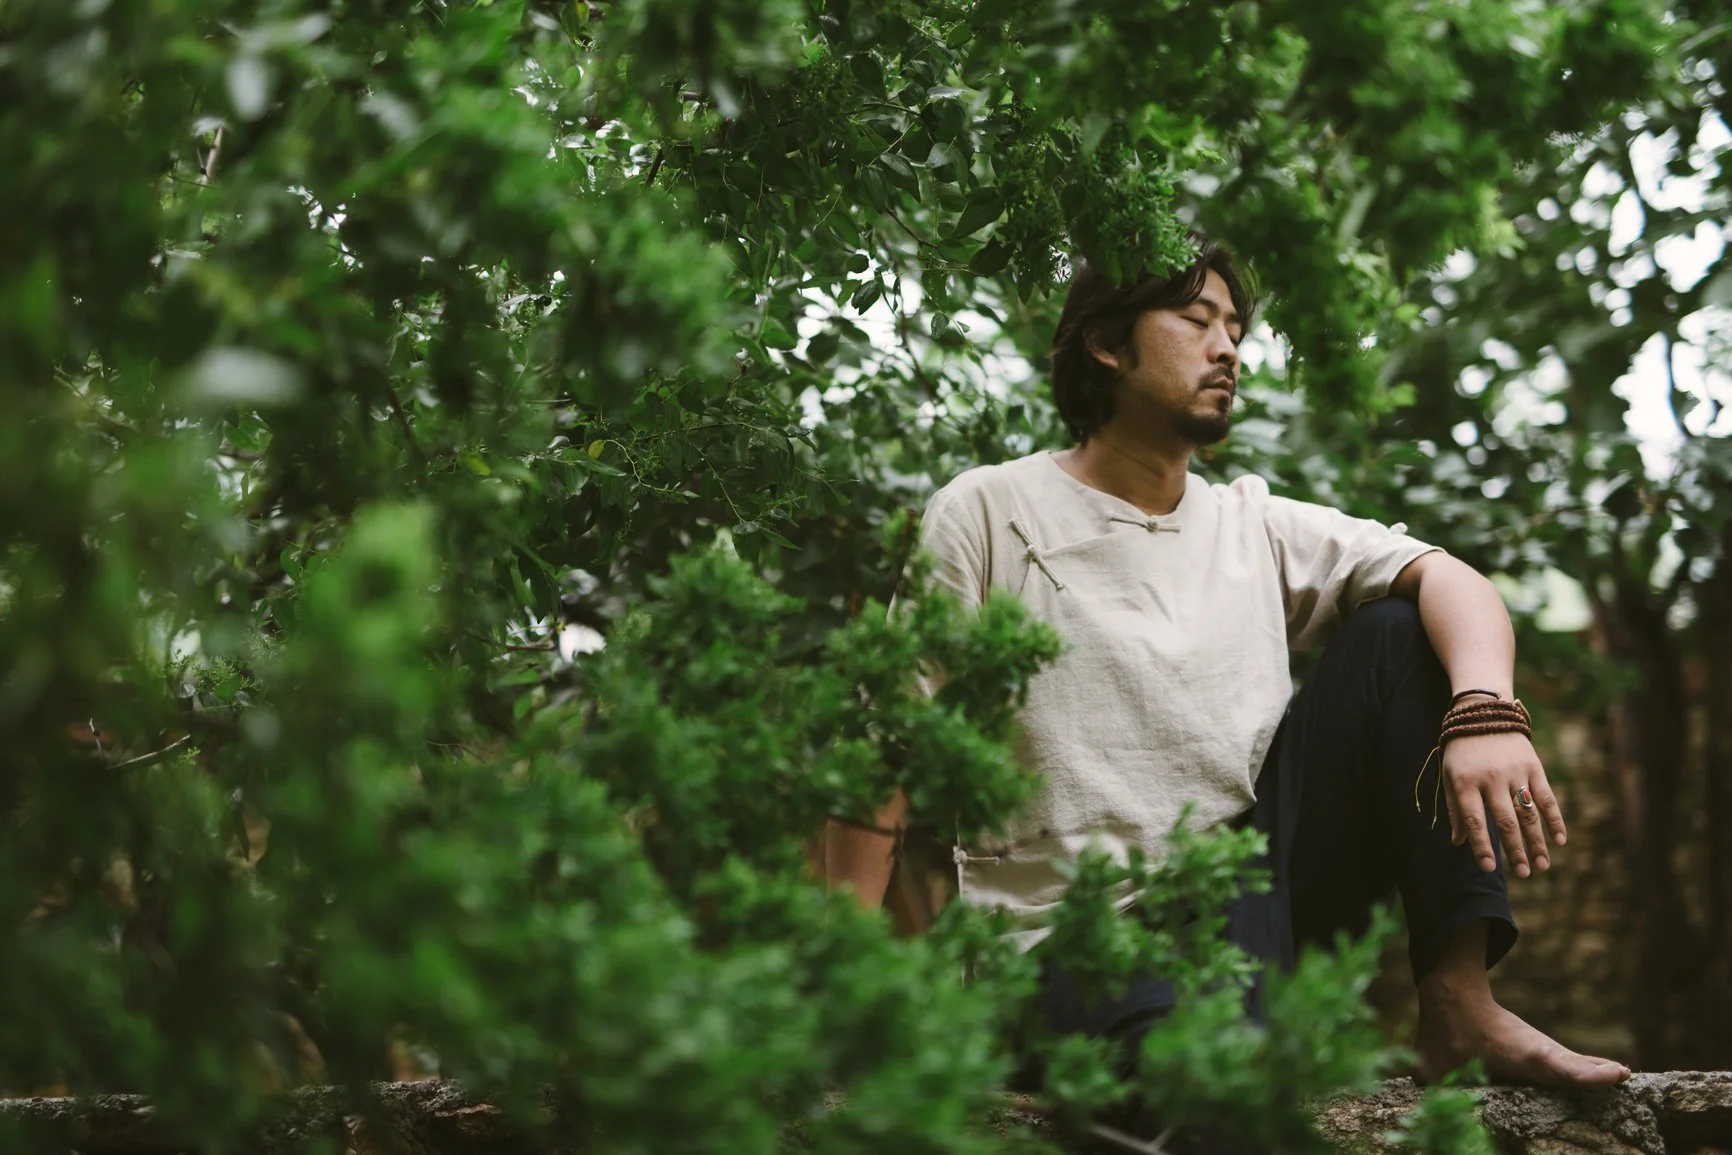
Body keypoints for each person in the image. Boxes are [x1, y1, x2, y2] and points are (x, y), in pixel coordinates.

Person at [824, 240, 1631, 1092]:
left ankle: (1460, 1003)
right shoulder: (991, 511)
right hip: (1068, 941)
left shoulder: (1252, 525)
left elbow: (1452, 579)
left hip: (1252, 912)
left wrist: (1487, 711)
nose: (1228, 350)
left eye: (1236, 330)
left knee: (1401, 630)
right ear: (1106, 343)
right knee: (1207, 1091)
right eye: (1197, 320)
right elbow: (887, 746)